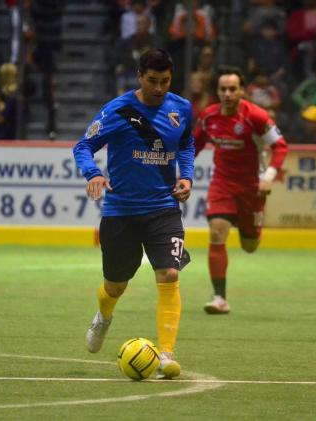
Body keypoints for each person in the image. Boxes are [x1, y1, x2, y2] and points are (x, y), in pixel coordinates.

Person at [73, 49, 194, 379]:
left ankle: (166, 354)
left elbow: (185, 143)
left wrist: (186, 175)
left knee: (169, 275)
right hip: (121, 212)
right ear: (139, 77)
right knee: (115, 286)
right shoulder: (118, 110)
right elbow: (83, 147)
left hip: (163, 209)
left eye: (165, 82)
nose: (158, 88)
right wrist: (93, 174)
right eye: (152, 81)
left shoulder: (181, 108)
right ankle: (103, 315)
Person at [194, 67, 288, 314]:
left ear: (242, 91)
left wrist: (268, 177)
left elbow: (280, 146)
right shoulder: (209, 117)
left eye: (232, 89)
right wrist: (179, 173)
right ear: (217, 91)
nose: (227, 93)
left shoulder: (256, 116)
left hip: (251, 189)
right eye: (223, 89)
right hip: (222, 184)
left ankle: (252, 227)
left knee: (249, 245)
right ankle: (219, 298)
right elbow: (193, 146)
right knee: (216, 234)